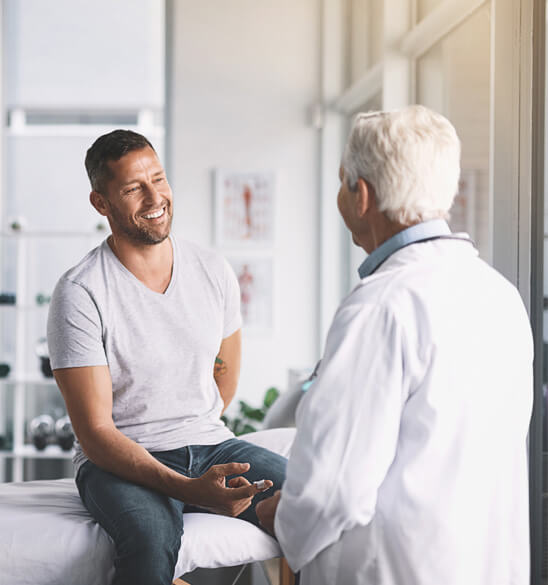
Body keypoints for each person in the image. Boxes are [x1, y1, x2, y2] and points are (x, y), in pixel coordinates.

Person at [256, 105, 533, 585]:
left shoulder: (380, 305)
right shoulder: (499, 294)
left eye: (343, 182)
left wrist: (281, 517)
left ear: (359, 194)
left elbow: (331, 489)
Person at [46, 130, 287, 585]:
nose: (155, 197)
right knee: (149, 540)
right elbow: (95, 434)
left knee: (313, 501)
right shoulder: (80, 293)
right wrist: (188, 489)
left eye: (159, 179)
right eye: (134, 188)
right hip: (120, 461)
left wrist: (197, 435)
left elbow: (225, 372)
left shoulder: (212, 270)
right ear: (101, 203)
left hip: (211, 442)